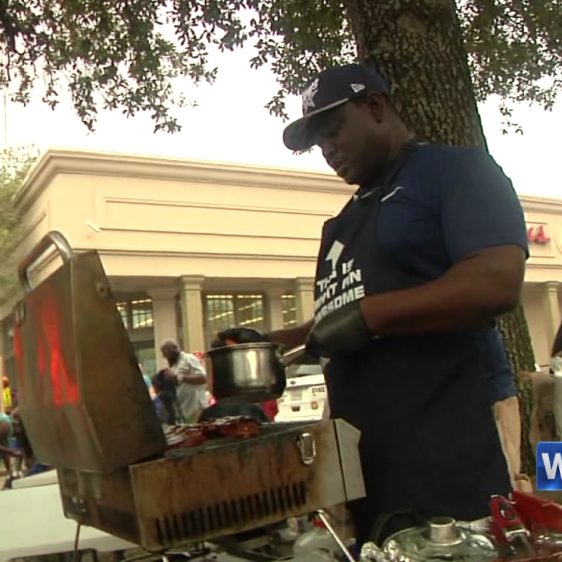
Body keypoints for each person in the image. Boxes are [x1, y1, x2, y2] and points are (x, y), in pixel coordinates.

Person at [214, 63, 528, 543]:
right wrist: (272, 343)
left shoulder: (455, 171)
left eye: (333, 130)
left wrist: (369, 317)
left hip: (454, 433)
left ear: (375, 106)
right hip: (371, 451)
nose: (327, 150)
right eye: (318, 144)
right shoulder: (347, 219)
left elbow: (494, 280)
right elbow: (338, 318)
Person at [160, 339, 209, 424]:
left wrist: (179, 377)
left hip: (196, 409)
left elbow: (203, 378)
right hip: (185, 411)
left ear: (174, 349)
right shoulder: (175, 365)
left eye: (166, 353)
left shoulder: (188, 358)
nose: (164, 356)